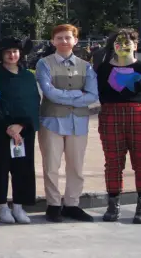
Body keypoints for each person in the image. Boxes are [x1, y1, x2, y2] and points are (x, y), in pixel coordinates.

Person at [35, 24, 98, 223]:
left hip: (78, 122)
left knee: (76, 166)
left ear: (75, 40)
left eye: (68, 37)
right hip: (51, 121)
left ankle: (72, 203)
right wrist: (76, 95)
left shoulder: (85, 66)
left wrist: (65, 96)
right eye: (59, 38)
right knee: (51, 166)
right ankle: (53, 204)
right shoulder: (44, 64)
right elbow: (49, 92)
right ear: (53, 41)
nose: (64, 41)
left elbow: (93, 95)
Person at [97, 29, 141, 224]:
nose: (123, 46)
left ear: (135, 44)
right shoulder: (103, 69)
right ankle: (113, 203)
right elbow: (100, 93)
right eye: (119, 42)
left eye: (127, 43)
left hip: (140, 116)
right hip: (111, 116)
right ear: (113, 45)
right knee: (113, 161)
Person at [0, 37, 39, 225]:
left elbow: (34, 102)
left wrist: (23, 126)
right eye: (8, 52)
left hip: (24, 130)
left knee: (23, 168)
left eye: (15, 51)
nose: (12, 55)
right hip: (1, 129)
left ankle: (19, 205)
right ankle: (1, 205)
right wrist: (8, 126)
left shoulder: (28, 76)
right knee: (0, 168)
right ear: (1, 54)